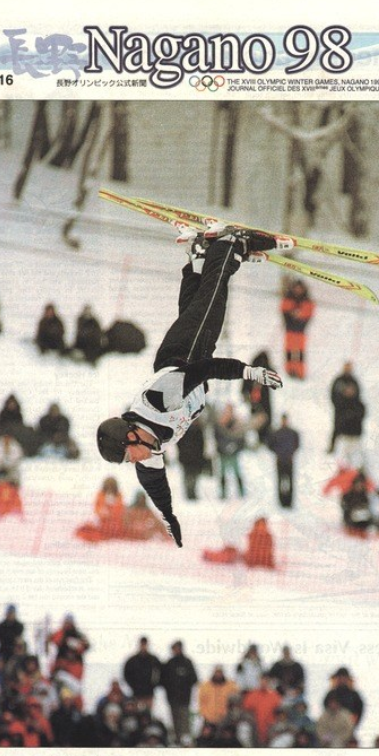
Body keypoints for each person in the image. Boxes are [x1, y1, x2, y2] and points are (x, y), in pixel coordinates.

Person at [96, 228, 289, 547]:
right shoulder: (149, 450)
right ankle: (200, 255)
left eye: (127, 456)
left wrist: (249, 373)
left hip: (187, 353)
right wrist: (170, 519)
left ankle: (231, 245)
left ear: (130, 435)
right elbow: (155, 484)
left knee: (213, 299)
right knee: (196, 306)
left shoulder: (160, 402)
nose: (133, 462)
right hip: (179, 360)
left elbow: (206, 370)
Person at [160, 640, 199, 744]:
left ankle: (186, 742)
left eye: (177, 648)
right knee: (174, 721)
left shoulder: (187, 662)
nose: (175, 650)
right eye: (174, 648)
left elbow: (194, 679)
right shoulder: (169, 663)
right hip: (172, 699)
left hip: (184, 699)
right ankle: (177, 741)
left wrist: (183, 685)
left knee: (184, 721)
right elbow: (162, 680)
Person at [329, 362, 366, 461]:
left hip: (355, 432)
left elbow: (361, 413)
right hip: (341, 419)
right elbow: (332, 395)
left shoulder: (354, 382)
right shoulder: (338, 381)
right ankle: (332, 447)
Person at [280, 279, 315, 379]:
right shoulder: (288, 298)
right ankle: (289, 370)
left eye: (300, 288)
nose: (298, 290)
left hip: (300, 330)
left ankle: (300, 372)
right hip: (290, 329)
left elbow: (309, 312)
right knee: (289, 351)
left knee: (300, 352)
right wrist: (292, 313)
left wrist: (300, 314)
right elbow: (284, 309)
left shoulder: (307, 301)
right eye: (296, 288)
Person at [214, 402, 247, 500]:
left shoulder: (237, 424)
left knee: (237, 473)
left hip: (234, 454)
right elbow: (217, 438)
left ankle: (242, 493)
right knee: (222, 474)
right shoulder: (220, 424)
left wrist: (235, 447)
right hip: (223, 454)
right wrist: (223, 447)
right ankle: (223, 494)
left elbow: (241, 439)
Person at [267, 414, 300, 508]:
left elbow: (297, 444)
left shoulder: (293, 433)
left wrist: (291, 453)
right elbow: (270, 445)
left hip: (289, 460)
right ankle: (281, 502)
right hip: (280, 460)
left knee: (290, 482)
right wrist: (278, 452)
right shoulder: (276, 433)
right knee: (280, 481)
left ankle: (289, 503)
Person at [122, 637, 163, 714]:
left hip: (149, 693)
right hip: (137, 693)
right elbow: (126, 675)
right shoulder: (132, 660)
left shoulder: (153, 660)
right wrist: (133, 685)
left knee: (148, 714)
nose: (143, 646)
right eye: (142, 644)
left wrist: (154, 685)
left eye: (145, 644)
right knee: (137, 713)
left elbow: (160, 673)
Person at [242, 350, 275, 444]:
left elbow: (244, 388)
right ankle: (262, 439)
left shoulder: (251, 371)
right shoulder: (260, 371)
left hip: (257, 402)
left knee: (259, 420)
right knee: (263, 420)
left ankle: (261, 438)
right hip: (259, 402)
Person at [176, 418, 207, 501]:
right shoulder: (183, 431)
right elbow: (179, 444)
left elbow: (202, 444)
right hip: (186, 457)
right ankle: (189, 493)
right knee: (188, 476)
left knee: (194, 476)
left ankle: (192, 492)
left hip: (195, 457)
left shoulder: (199, 429)